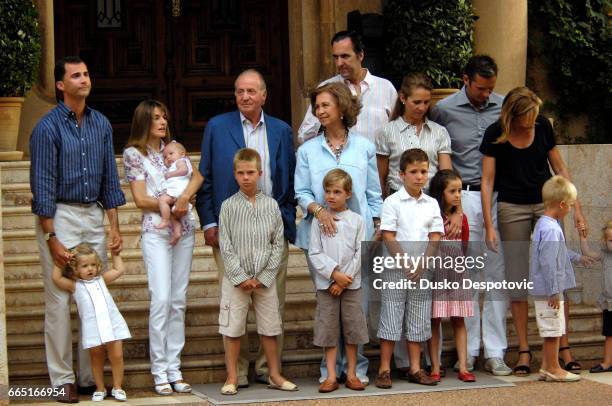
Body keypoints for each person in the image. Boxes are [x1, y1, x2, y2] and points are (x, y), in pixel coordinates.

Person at [30, 55, 126, 403]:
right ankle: (62, 378)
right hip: (60, 214)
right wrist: (51, 236)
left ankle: (90, 376)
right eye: (75, 75)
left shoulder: (101, 124)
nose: (84, 79)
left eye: (86, 73)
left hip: (92, 214)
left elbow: (110, 181)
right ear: (61, 85)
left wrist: (113, 226)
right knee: (60, 298)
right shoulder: (46, 128)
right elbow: (41, 185)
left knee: (94, 296)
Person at [196, 69, 296, 387]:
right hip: (231, 229)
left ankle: (270, 369)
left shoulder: (281, 130)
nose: (245, 97)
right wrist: (209, 221)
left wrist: (285, 219)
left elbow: (288, 179)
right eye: (240, 91)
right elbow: (206, 177)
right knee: (234, 302)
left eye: (252, 91)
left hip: (271, 229)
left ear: (264, 95)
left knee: (272, 301)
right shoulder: (217, 127)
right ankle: (235, 373)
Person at [480, 87, 588, 376]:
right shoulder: (494, 133)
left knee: (556, 271)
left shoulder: (542, 127)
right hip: (511, 206)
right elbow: (487, 181)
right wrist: (489, 225)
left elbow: (560, 168)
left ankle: (563, 347)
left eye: (535, 115)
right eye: (528, 115)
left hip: (547, 204)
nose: (533, 120)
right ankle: (524, 350)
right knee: (517, 279)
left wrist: (576, 207)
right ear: (513, 114)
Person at [295, 81, 382, 385]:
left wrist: (377, 225)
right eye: (316, 106)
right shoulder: (307, 151)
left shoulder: (365, 148)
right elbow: (301, 191)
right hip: (320, 240)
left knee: (356, 307)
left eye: (325, 105)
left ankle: (356, 370)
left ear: (342, 107)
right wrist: (318, 211)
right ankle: (329, 372)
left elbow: (373, 195)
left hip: (358, 240)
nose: (319, 111)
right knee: (328, 309)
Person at [429, 55, 511, 376]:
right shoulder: (444, 109)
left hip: (497, 197)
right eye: (480, 88)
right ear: (466, 80)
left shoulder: (503, 106)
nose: (485, 95)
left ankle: (495, 351)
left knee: (496, 273)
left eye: (490, 88)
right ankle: (469, 351)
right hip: (463, 199)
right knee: (467, 275)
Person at [123, 100, 203, 395]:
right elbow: (141, 199)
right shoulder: (134, 154)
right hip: (156, 232)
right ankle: (159, 370)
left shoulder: (174, 150)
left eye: (164, 116)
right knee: (162, 299)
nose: (162, 121)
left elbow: (196, 176)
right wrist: (170, 201)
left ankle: (174, 367)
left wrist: (186, 198)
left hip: (185, 229)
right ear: (144, 121)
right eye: (156, 117)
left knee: (179, 299)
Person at [218, 148, 298, 395]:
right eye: (241, 173)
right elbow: (225, 244)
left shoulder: (271, 206)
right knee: (232, 328)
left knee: (271, 327)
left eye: (250, 172)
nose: (246, 177)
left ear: (260, 173)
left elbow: (277, 243)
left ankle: (273, 374)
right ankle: (232, 376)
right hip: (236, 279)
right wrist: (240, 276)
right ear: (234, 175)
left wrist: (264, 276)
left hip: (265, 279)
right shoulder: (228, 207)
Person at [375, 148, 442, 388]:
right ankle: (384, 369)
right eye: (413, 172)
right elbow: (388, 235)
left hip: (422, 270)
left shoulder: (432, 204)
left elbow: (435, 236)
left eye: (423, 171)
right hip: (395, 268)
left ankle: (416, 367)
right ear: (401, 174)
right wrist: (405, 262)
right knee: (391, 315)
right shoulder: (392, 202)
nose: (419, 176)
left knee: (418, 317)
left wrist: (423, 263)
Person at [309, 169, 369, 393]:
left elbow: (360, 252)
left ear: (348, 194)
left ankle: (352, 373)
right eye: (327, 191)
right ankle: (331, 375)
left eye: (337, 191)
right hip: (327, 286)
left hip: (351, 285)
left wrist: (344, 280)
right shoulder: (319, 222)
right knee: (329, 330)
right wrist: (334, 274)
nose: (331, 196)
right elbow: (315, 252)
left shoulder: (357, 221)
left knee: (353, 329)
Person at [529, 176, 590, 382]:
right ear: (562, 204)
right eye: (571, 205)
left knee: (551, 328)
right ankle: (555, 367)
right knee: (554, 328)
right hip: (550, 289)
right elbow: (549, 262)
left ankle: (547, 366)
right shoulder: (552, 229)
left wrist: (578, 257)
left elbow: (558, 253)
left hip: (545, 288)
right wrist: (554, 290)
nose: (571, 209)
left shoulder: (543, 225)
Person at [51, 244, 131, 401]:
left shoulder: (102, 280)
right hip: (93, 328)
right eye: (85, 266)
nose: (90, 269)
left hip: (112, 323)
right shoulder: (75, 286)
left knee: (117, 355)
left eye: (93, 265)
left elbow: (119, 270)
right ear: (75, 268)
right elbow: (56, 278)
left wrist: (116, 253)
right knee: (96, 358)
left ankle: (117, 387)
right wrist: (60, 261)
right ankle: (100, 388)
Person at [297, 30, 397, 145]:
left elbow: (398, 132)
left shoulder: (385, 87)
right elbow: (303, 137)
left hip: (377, 161)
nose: (339, 63)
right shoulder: (326, 89)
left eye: (345, 56)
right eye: (336, 57)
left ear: (360, 55)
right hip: (337, 161)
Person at [427, 169, 475, 383]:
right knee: (434, 320)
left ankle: (464, 367)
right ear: (440, 192)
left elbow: (464, 245)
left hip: (456, 273)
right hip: (436, 272)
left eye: (459, 191)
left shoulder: (461, 219)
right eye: (452, 191)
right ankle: (435, 366)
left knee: (459, 319)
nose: (458, 195)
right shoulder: (432, 216)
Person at [376, 72, 452, 196]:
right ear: (403, 98)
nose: (422, 108)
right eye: (416, 102)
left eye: (426, 102)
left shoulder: (439, 132)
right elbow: (380, 177)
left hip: (431, 198)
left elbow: (447, 175)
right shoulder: (387, 131)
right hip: (397, 198)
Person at [579, 220, 612, 373]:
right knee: (609, 333)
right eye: (611, 240)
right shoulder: (605, 254)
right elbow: (587, 253)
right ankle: (607, 362)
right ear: (605, 241)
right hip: (609, 303)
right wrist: (583, 237)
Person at [155, 141, 193, 245]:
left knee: (162, 200)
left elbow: (184, 171)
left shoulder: (180, 161)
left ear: (182, 154)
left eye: (171, 154)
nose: (168, 158)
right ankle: (177, 232)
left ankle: (165, 219)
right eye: (165, 157)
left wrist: (170, 174)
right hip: (177, 191)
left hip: (177, 190)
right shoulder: (176, 163)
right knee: (173, 214)